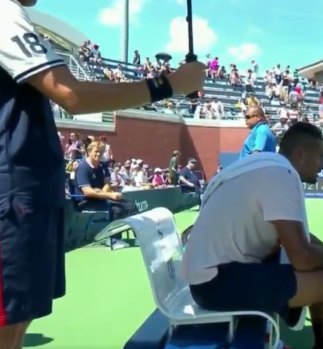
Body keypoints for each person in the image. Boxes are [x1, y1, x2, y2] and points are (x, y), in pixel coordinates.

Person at [0, 1, 205, 347]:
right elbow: (71, 94)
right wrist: (167, 85)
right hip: (13, 199)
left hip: (28, 196)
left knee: (16, 324)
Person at [183, 122, 323, 349]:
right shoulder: (280, 175)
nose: (322, 165)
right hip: (215, 284)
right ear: (300, 155)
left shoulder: (267, 167)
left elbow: (302, 239)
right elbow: (302, 256)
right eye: (320, 156)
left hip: (214, 275)